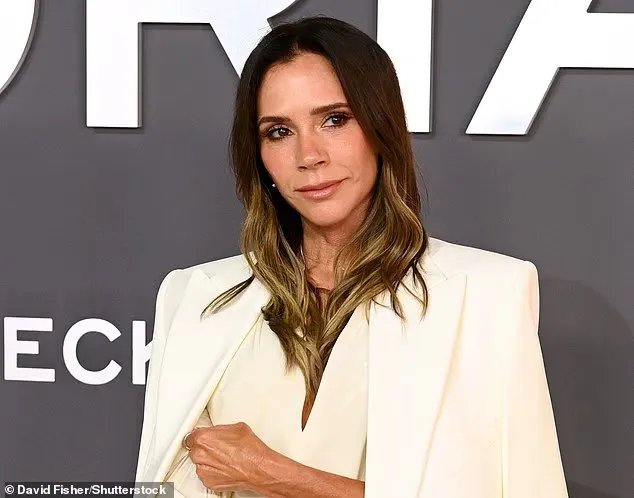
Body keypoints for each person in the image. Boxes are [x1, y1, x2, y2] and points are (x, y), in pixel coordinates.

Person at [134, 15, 569, 498]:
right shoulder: (195, 298)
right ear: (257, 154)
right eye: (279, 131)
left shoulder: (487, 294)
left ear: (381, 128)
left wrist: (274, 474)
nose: (309, 155)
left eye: (334, 120)